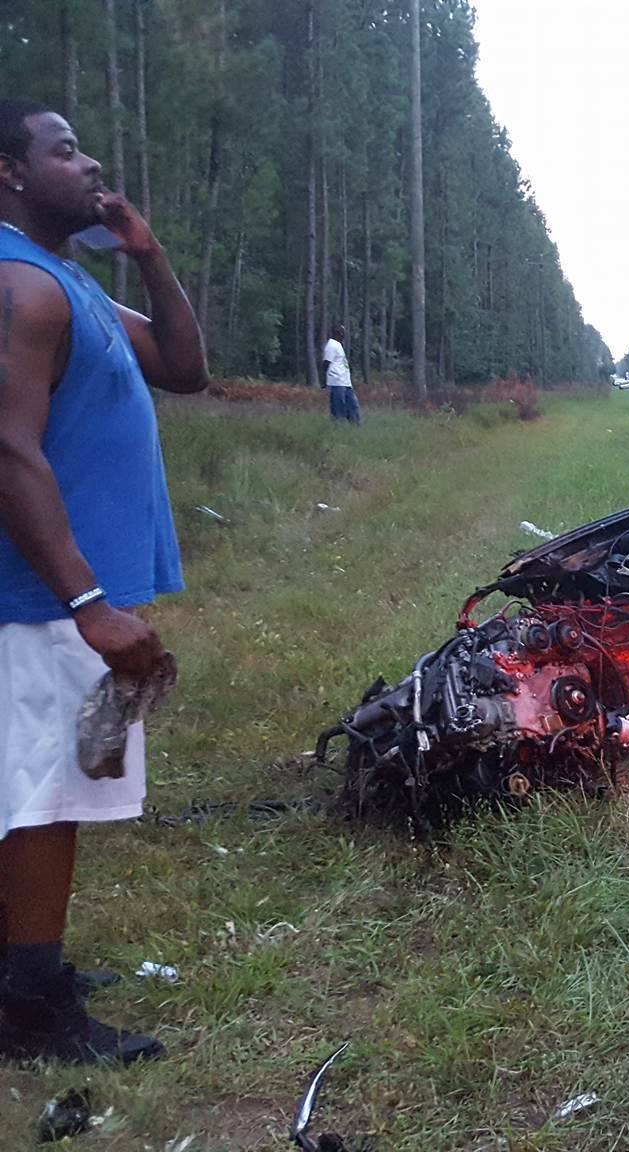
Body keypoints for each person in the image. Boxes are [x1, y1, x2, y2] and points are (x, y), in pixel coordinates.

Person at [0, 99, 207, 1063]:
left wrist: (150, 254)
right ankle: (33, 1011)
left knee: (50, 789)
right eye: (64, 151)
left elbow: (181, 366)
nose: (89, 165)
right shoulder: (20, 287)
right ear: (9, 173)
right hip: (45, 601)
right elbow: (7, 448)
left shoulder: (67, 280)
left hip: (72, 599)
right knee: (46, 796)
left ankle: (24, 972)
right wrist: (87, 603)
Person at [321, 323, 359, 424]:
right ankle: (338, 426)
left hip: (345, 382)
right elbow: (326, 363)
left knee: (352, 405)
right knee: (338, 407)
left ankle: (355, 425)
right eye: (343, 332)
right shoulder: (331, 344)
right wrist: (324, 380)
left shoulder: (338, 345)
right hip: (336, 381)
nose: (344, 335)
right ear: (338, 333)